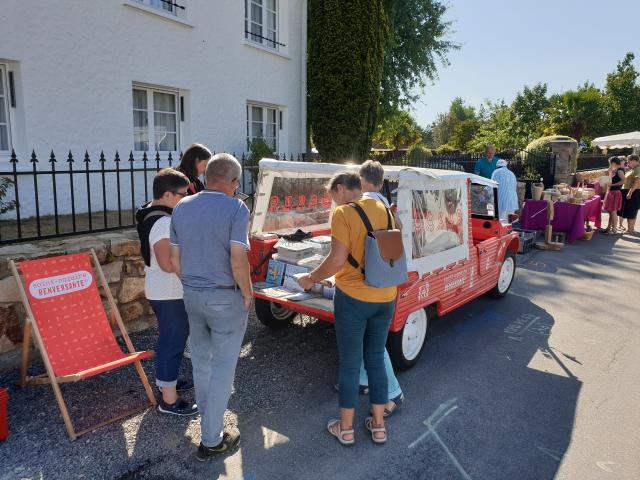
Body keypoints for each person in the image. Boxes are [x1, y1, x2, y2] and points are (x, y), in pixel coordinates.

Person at [298, 172, 397, 446]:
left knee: (351, 363)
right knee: (375, 358)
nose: (333, 203)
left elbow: (337, 259)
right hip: (386, 295)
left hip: (353, 298)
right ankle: (378, 426)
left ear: (341, 189)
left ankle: (346, 428)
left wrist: (310, 279)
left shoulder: (343, 213)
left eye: (332, 196)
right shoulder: (384, 207)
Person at [170, 153, 252, 460]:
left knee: (201, 359)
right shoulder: (236, 208)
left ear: (206, 177)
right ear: (233, 182)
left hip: (192, 293)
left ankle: (207, 414)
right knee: (223, 367)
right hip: (225, 295)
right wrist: (247, 293)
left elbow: (174, 260)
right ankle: (212, 438)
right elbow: (237, 258)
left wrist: (192, 284)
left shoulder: (182, 206)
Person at [135, 168, 197, 416]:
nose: (186, 198)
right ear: (168, 195)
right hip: (169, 292)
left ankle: (165, 380)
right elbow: (167, 263)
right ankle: (169, 400)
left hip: (162, 290)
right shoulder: (163, 222)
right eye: (183, 194)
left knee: (171, 339)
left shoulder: (149, 210)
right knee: (172, 342)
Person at [357, 160, 404, 415]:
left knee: (373, 343)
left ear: (360, 179)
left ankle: (394, 391)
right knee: (370, 339)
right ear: (382, 182)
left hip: (365, 284)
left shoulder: (358, 206)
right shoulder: (388, 208)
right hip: (384, 283)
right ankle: (365, 379)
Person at [602, 157, 626, 234]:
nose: (610, 165)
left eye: (610, 163)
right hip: (612, 191)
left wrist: (612, 184)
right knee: (611, 211)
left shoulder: (619, 171)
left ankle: (614, 229)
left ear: (614, 163)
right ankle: (609, 228)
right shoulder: (615, 170)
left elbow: (623, 181)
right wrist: (610, 171)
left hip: (615, 192)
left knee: (613, 211)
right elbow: (609, 177)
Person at [620, 154, 640, 234]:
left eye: (628, 161)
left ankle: (630, 229)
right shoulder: (633, 169)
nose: (627, 163)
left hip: (634, 192)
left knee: (631, 211)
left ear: (634, 161)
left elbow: (637, 182)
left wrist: (630, 192)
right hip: (630, 191)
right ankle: (631, 229)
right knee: (631, 211)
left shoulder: (637, 169)